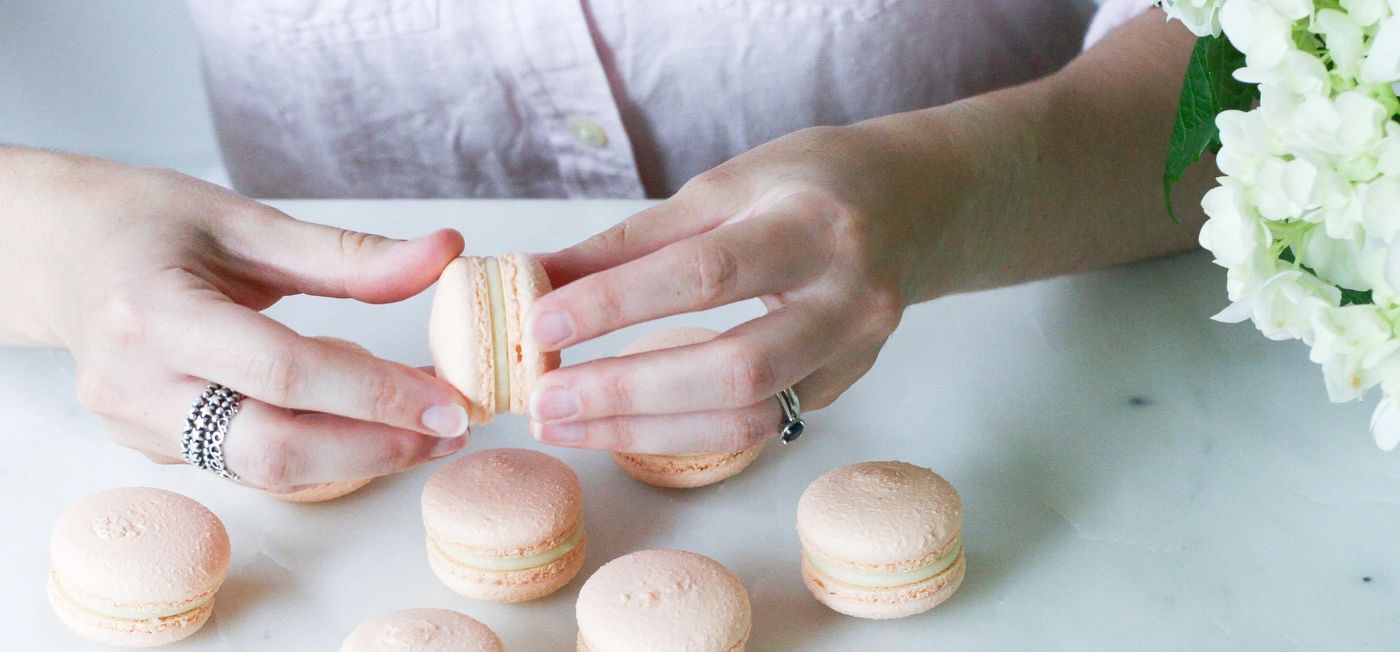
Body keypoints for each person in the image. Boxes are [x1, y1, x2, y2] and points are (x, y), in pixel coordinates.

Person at [0, 0, 1209, 493]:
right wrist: (56, 242)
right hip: (269, 388)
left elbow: (1318, 73)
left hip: (997, 371)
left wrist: (957, 189)